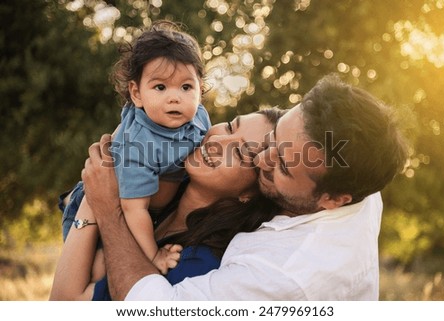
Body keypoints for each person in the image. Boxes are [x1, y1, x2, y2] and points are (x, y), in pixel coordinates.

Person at [78, 74, 409, 300]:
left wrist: (107, 209)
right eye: (274, 140)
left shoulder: (283, 274)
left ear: (333, 199)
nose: (262, 158)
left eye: (281, 165)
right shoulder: (358, 165)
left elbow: (148, 309)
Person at [50, 107, 284, 300]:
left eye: (240, 152)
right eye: (231, 126)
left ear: (249, 194)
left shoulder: (196, 262)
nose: (217, 140)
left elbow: (64, 304)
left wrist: (100, 200)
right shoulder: (161, 188)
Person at [60, 20, 212, 281]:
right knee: (98, 271)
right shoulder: (138, 143)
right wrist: (154, 256)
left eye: (186, 87)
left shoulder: (198, 117)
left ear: (199, 87)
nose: (175, 97)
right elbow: (133, 209)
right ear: (136, 93)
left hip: (152, 210)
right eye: (160, 87)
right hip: (110, 205)